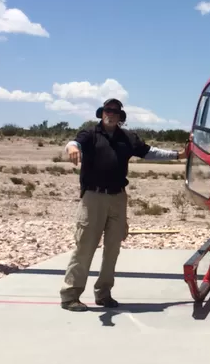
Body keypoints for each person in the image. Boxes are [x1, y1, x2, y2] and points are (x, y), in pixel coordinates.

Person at [59, 98, 188, 311]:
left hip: (118, 197)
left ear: (120, 117)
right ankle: (70, 295)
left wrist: (179, 155)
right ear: (102, 113)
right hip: (93, 198)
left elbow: (149, 151)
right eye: (107, 110)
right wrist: (72, 147)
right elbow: (75, 143)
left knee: (113, 249)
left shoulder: (127, 138)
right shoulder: (90, 134)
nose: (110, 114)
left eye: (114, 111)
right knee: (85, 247)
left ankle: (104, 293)